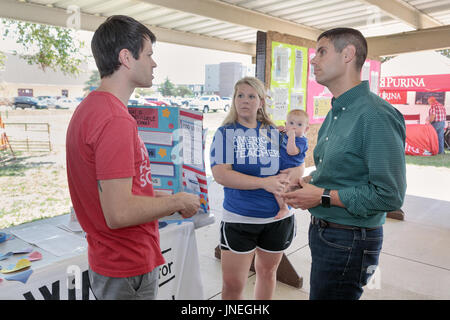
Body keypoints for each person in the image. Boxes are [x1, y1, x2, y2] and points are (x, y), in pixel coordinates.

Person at [66, 15, 200, 300]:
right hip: (125, 264)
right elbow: (119, 213)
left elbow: (126, 188)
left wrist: (168, 196)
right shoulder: (115, 119)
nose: (154, 63)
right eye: (149, 54)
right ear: (126, 58)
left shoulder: (90, 108)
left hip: (111, 259)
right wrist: (175, 202)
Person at [282, 27, 406, 300]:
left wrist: (322, 196)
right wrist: (307, 183)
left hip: (349, 241)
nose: (313, 60)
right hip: (327, 234)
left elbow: (390, 195)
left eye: (322, 52)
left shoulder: (376, 116)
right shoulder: (337, 110)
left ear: (348, 54)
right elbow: (340, 170)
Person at [210, 76, 300, 300]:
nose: (245, 100)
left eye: (251, 96)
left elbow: (297, 165)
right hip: (240, 220)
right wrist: (264, 183)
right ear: (234, 100)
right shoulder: (225, 133)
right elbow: (221, 174)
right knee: (233, 284)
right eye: (240, 95)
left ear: (261, 101)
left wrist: (290, 178)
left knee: (268, 273)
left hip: (277, 220)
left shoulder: (274, 132)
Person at [274, 109, 309, 219]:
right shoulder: (286, 134)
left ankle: (284, 207)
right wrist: (278, 131)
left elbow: (291, 151)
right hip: (282, 167)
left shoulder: (302, 141)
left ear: (306, 129)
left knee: (277, 188)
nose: (294, 127)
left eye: (299, 124)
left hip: (290, 169)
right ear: (286, 124)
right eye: (291, 123)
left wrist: (292, 137)